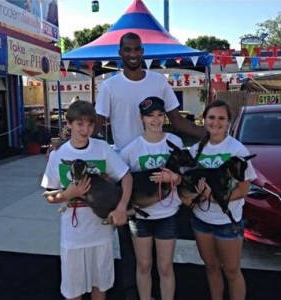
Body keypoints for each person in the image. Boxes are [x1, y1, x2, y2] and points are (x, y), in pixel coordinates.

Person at [94, 31, 204, 300]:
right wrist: (67, 144)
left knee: (163, 246)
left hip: (160, 167)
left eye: (137, 49)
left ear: (143, 51)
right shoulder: (109, 86)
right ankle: (134, 295)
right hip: (127, 170)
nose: (133, 54)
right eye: (127, 50)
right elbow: (97, 126)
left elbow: (177, 122)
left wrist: (212, 135)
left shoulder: (158, 82)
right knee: (131, 247)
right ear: (120, 54)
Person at [153, 100, 257, 300]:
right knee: (211, 268)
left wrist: (212, 197)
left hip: (228, 222)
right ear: (204, 120)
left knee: (232, 272)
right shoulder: (195, 151)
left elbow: (244, 189)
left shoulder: (237, 150)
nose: (215, 123)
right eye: (211, 117)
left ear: (228, 122)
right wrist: (185, 195)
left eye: (221, 118)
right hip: (201, 221)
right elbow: (182, 180)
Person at [41, 100, 132, 300]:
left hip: (101, 233)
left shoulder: (102, 149)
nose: (85, 129)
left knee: (101, 285)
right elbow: (49, 196)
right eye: (80, 124)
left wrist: (121, 207)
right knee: (73, 290)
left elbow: (126, 177)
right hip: (73, 236)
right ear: (69, 124)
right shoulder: (59, 156)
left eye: (90, 124)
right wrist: (67, 194)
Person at [120, 97, 183, 300]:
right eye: (150, 116)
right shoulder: (130, 150)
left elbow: (186, 177)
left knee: (165, 267)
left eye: (160, 115)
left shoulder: (175, 142)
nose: (156, 120)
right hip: (140, 218)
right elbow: (120, 180)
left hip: (168, 215)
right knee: (144, 266)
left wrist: (174, 178)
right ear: (142, 118)